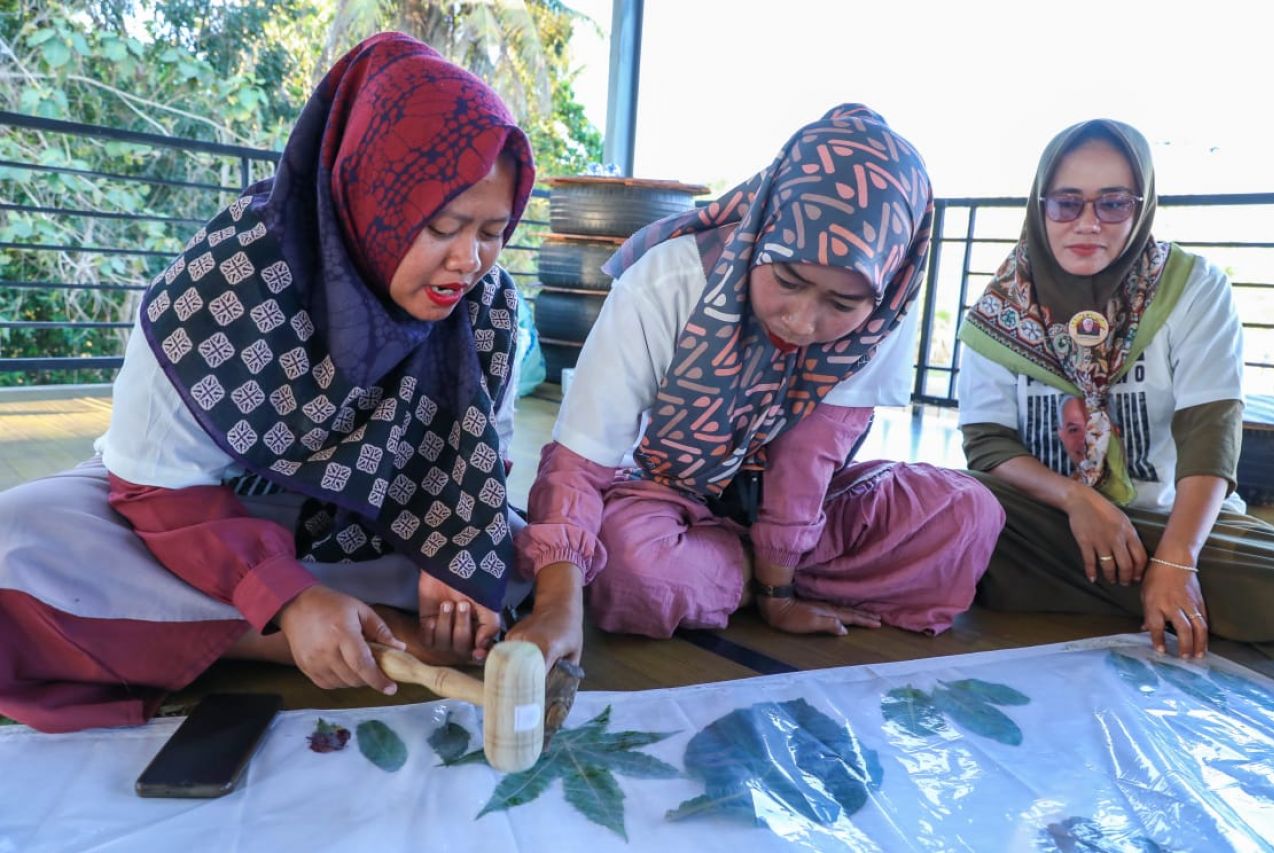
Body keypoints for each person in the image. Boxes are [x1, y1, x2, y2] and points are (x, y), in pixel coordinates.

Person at [0, 33, 555, 732]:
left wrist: (454, 546)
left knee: (516, 558)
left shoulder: (488, 307)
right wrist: (286, 598)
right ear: (373, 195)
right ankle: (294, 637)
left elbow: (483, 456)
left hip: (376, 524)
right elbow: (154, 485)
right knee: (18, 541)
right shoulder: (230, 280)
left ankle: (311, 628)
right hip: (201, 523)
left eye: (493, 231)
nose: (468, 261)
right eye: (443, 226)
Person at [514, 105, 1004, 655]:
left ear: (883, 288)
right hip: (663, 494)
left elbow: (809, 460)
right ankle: (739, 573)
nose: (801, 321)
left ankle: (721, 575)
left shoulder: (883, 316)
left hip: (806, 514)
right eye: (789, 279)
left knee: (969, 511)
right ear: (762, 230)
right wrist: (559, 607)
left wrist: (779, 587)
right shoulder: (669, 279)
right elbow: (582, 459)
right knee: (631, 566)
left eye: (841, 303)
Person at [957, 118, 1274, 661]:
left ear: (1143, 204)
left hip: (1176, 523)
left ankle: (1128, 586)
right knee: (954, 507)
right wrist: (1077, 498)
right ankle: (1163, 596)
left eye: (1113, 203)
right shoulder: (1001, 308)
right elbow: (987, 445)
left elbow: (1210, 435)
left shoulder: (1192, 288)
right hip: (1047, 523)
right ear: (1040, 208)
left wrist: (1177, 560)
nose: (1088, 224)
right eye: (1066, 203)